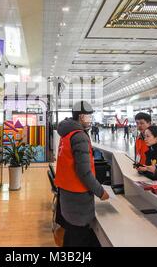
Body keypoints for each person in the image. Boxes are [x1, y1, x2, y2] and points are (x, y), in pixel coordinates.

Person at [55, 101, 109, 247]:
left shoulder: (67, 133)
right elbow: (84, 172)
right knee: (79, 236)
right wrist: (100, 191)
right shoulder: (79, 136)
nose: (90, 120)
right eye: (88, 117)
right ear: (81, 116)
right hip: (78, 196)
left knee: (72, 233)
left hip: (67, 192)